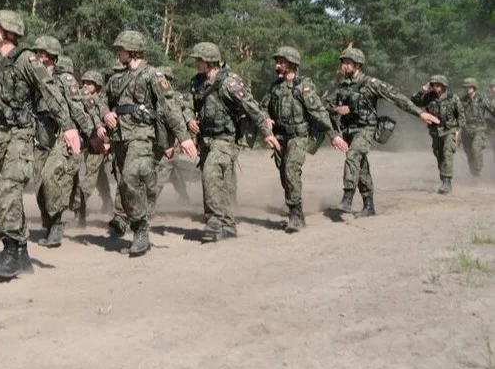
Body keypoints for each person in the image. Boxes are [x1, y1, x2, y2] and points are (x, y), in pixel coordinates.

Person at [0, 10, 81, 279]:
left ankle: (9, 252)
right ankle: (23, 254)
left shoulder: (27, 60)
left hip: (20, 135)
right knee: (5, 194)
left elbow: (49, 90)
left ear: (8, 31)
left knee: (8, 190)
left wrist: (68, 126)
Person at [95, 31, 197, 255]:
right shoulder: (116, 78)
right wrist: (105, 114)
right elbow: (102, 100)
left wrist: (184, 137)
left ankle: (141, 228)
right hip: (120, 137)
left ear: (131, 50)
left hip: (142, 134)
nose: (118, 52)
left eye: (120, 49)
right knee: (123, 184)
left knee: (132, 176)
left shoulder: (153, 75)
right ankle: (133, 222)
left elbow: (170, 108)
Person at [327, 48, 439, 215]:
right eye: (343, 63)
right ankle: (369, 205)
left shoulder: (372, 84)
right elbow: (326, 106)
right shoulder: (342, 86)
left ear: (358, 65)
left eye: (348, 63)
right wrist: (338, 109)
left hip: (366, 129)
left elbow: (397, 97)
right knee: (361, 165)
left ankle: (347, 198)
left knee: (353, 155)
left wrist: (420, 113)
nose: (344, 66)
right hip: (348, 131)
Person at [186, 42, 274, 242]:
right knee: (221, 183)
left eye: (199, 60)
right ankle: (228, 225)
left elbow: (251, 106)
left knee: (210, 174)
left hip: (226, 139)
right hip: (206, 141)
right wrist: (189, 119)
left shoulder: (229, 82)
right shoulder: (197, 82)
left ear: (209, 62)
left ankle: (215, 220)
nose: (196, 64)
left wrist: (266, 132)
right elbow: (187, 104)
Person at [263, 47, 337, 232]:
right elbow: (262, 106)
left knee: (291, 170)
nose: (277, 65)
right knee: (284, 173)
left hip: (299, 135)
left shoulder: (303, 86)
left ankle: (296, 214)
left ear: (292, 64)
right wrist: (266, 117)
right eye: (277, 61)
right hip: (281, 136)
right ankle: (291, 202)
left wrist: (333, 135)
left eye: (281, 62)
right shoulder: (275, 86)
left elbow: (318, 111)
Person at [32, 36, 96, 248]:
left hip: (62, 133)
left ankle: (57, 222)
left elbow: (77, 108)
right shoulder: (34, 78)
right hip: (40, 135)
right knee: (39, 185)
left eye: (43, 53)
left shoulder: (65, 79)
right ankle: (49, 223)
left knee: (51, 176)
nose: (39, 57)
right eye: (38, 53)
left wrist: (91, 135)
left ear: (52, 56)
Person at [70, 70, 113, 227]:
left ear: (97, 85)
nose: (86, 85)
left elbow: (106, 119)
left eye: (90, 83)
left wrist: (106, 142)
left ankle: (79, 210)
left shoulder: (102, 100)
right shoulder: (80, 97)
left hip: (99, 142)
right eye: (84, 82)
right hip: (87, 141)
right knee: (100, 175)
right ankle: (108, 202)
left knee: (90, 177)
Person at [412, 75, 463, 194]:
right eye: (433, 85)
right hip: (435, 132)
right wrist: (422, 90)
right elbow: (414, 102)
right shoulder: (429, 97)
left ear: (444, 86)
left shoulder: (453, 98)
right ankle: (444, 178)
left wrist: (458, 131)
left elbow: (461, 116)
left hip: (449, 130)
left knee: (447, 153)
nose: (436, 87)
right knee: (439, 155)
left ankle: (447, 182)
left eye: (438, 85)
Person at [152, 66, 192, 212]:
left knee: (162, 172)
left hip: (169, 142)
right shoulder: (153, 96)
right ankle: (185, 198)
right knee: (173, 173)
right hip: (157, 142)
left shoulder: (174, 97)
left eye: (162, 78)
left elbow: (183, 116)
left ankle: (149, 204)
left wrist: (181, 138)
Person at [459, 78, 489, 179]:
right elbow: (457, 113)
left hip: (479, 128)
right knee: (468, 152)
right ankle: (474, 173)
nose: (467, 89)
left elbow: (492, 109)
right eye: (466, 87)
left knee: (476, 148)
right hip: (466, 129)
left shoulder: (482, 98)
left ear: (474, 87)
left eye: (469, 87)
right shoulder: (462, 100)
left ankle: (477, 170)